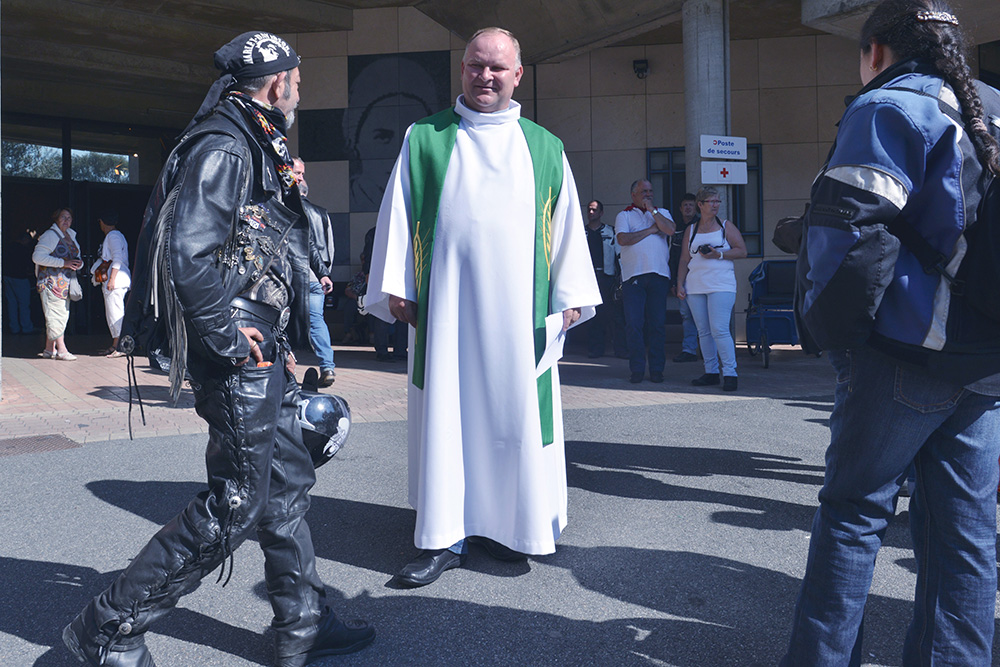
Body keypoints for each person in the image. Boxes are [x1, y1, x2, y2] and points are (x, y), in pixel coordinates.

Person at [63, 31, 374, 667]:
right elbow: (188, 253)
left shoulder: (254, 139)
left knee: (285, 484)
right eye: (295, 78)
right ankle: (107, 627)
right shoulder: (225, 145)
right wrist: (230, 337)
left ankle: (304, 625)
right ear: (277, 81)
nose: (298, 89)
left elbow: (259, 249)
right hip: (236, 353)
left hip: (262, 342)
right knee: (237, 500)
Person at [781, 1, 1000, 664]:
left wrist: (843, 342)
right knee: (966, 538)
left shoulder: (889, 107)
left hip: (903, 356)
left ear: (876, 49)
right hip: (986, 361)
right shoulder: (990, 105)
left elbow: (850, 233)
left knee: (853, 518)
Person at [366, 26, 601, 588]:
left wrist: (569, 301)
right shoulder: (425, 137)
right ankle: (443, 535)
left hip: (522, 320)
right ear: (462, 69)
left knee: (511, 418)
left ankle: (506, 529)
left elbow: (567, 229)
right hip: (445, 313)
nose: (486, 76)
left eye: (498, 68)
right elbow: (397, 213)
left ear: (518, 75)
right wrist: (398, 286)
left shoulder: (545, 148)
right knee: (448, 416)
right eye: (476, 65)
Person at [675, 187, 746, 391]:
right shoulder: (692, 229)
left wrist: (719, 254)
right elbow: (684, 259)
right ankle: (711, 372)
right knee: (703, 331)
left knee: (720, 330)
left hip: (721, 285)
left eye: (717, 202)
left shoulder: (725, 226)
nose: (715, 205)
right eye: (711, 202)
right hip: (696, 285)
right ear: (701, 205)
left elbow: (742, 251)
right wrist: (680, 283)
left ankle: (731, 373)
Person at [615, 179, 675, 383]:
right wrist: (650, 230)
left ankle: (657, 370)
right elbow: (623, 239)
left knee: (657, 325)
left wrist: (653, 212)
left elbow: (669, 230)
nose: (648, 194)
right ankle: (637, 370)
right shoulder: (624, 215)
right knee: (634, 324)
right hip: (633, 277)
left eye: (650, 191)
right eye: (643, 191)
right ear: (633, 194)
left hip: (658, 276)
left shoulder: (663, 212)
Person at [292, 157, 337, 387]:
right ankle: (327, 366)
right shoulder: (321, 213)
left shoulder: (288, 210)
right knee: (317, 321)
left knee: (284, 321)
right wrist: (325, 273)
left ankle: (286, 371)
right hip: (318, 278)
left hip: (295, 275)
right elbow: (329, 247)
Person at [32, 207, 83, 361]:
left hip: (65, 285)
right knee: (55, 316)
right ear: (56, 219)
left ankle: (49, 349)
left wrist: (78, 264)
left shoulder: (71, 235)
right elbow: (37, 257)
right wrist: (64, 263)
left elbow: (76, 257)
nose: (66, 220)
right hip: (50, 283)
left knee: (59, 316)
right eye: (63, 217)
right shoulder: (50, 235)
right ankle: (61, 350)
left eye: (69, 217)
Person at [581, 199, 625, 358]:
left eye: (594, 210)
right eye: (589, 210)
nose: (591, 213)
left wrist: (620, 277)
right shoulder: (580, 233)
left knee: (615, 315)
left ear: (601, 213)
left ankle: (621, 349)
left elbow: (619, 255)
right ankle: (595, 349)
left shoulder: (610, 231)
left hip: (607, 278)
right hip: (588, 278)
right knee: (593, 315)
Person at [91, 209, 131, 357]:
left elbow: (117, 258)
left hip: (116, 280)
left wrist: (112, 279)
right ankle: (115, 345)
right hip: (118, 279)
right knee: (113, 312)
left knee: (115, 313)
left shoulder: (113, 236)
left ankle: (120, 346)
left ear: (102, 222)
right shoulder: (115, 236)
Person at [669, 193, 700, 363]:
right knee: (687, 315)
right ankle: (689, 350)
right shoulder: (676, 228)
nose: (688, 208)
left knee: (704, 315)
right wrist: (675, 282)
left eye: (691, 205)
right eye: (685, 205)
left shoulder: (703, 225)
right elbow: (674, 257)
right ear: (681, 208)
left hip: (701, 278)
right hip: (683, 279)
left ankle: (708, 349)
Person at [2, 223, 38, 335]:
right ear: (25, 240)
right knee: (24, 304)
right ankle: (26, 327)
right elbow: (27, 264)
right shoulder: (23, 250)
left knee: (11, 303)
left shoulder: (8, 247)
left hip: (7, 276)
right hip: (20, 278)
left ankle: (14, 328)